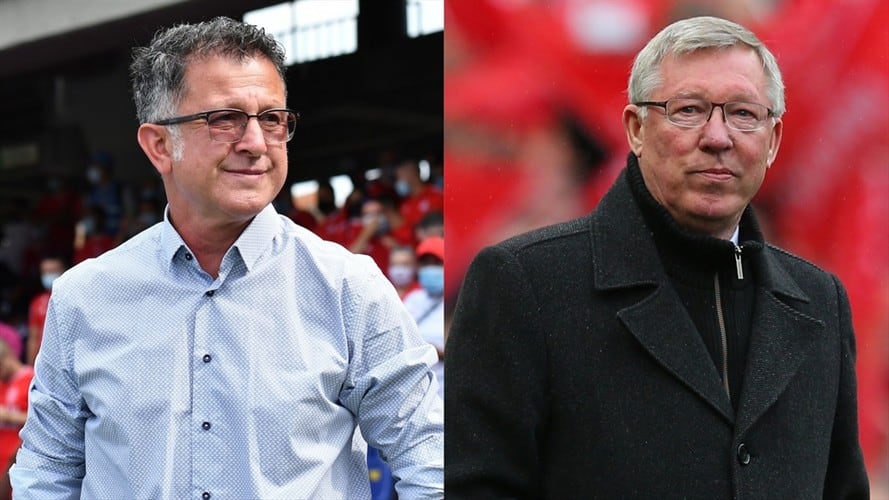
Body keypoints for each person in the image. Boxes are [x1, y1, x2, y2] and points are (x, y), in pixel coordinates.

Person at [11, 17, 442, 499]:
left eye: (272, 119)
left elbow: (431, 458)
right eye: (225, 119)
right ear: (159, 146)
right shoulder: (84, 299)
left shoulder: (347, 289)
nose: (255, 143)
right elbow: (46, 473)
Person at [445, 15, 869, 498]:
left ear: (772, 141)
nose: (718, 137)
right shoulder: (525, 284)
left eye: (743, 114)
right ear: (635, 129)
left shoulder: (820, 301)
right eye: (688, 110)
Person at [403, 237, 445, 400]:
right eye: (425, 264)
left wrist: (435, 351)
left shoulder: (460, 301)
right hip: (414, 392)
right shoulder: (412, 299)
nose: (430, 269)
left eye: (436, 263)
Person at [0, 338, 33, 500]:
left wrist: (8, 416)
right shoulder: (3, 383)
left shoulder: (31, 379)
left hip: (17, 463)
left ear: (7, 358)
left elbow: (41, 420)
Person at [26, 255, 67, 365]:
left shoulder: (72, 297)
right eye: (45, 272)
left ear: (63, 271)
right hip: (46, 361)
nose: (49, 275)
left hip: (68, 357)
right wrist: (30, 367)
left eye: (52, 271)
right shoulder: (37, 302)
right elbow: (33, 337)